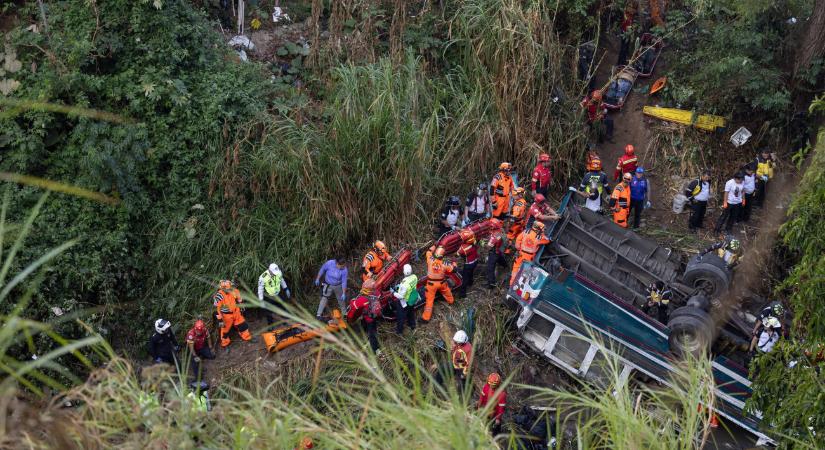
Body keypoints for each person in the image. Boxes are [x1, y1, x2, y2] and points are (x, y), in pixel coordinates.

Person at [214, 280, 253, 353]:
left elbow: (239, 300)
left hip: (236, 312)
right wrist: (220, 320)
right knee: (225, 330)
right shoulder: (219, 296)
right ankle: (225, 344)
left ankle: (247, 337)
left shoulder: (235, 291)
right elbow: (217, 310)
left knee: (242, 325)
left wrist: (242, 307)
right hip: (226, 315)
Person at [422, 246, 457, 322]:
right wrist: (454, 262)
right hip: (441, 283)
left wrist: (434, 246)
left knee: (429, 301)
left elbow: (428, 251)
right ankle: (451, 301)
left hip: (431, 285)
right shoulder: (445, 264)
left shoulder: (430, 259)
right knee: (447, 292)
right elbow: (454, 270)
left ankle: (425, 318)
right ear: (442, 256)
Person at [347, 280, 381, 355]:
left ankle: (376, 350)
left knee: (372, 334)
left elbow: (354, 305)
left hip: (369, 319)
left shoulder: (363, 299)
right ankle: (367, 335)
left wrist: (352, 301)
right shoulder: (376, 293)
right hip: (374, 316)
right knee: (369, 327)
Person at [391, 264, 418, 334]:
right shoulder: (414, 277)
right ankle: (412, 324)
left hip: (405, 301)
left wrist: (393, 292)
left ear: (403, 272)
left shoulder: (404, 283)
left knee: (401, 316)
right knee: (411, 312)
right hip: (412, 298)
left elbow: (400, 296)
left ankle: (399, 331)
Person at [486, 220, 508, 289]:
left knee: (490, 268)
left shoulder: (494, 236)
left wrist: (483, 243)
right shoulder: (501, 231)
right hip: (499, 250)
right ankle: (506, 266)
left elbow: (489, 247)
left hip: (493, 253)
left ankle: (491, 283)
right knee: (500, 259)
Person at [457, 230, 479, 299]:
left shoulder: (463, 248)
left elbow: (457, 254)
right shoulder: (474, 241)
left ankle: (462, 294)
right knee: (471, 273)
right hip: (475, 261)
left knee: (464, 278)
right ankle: (470, 282)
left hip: (468, 264)